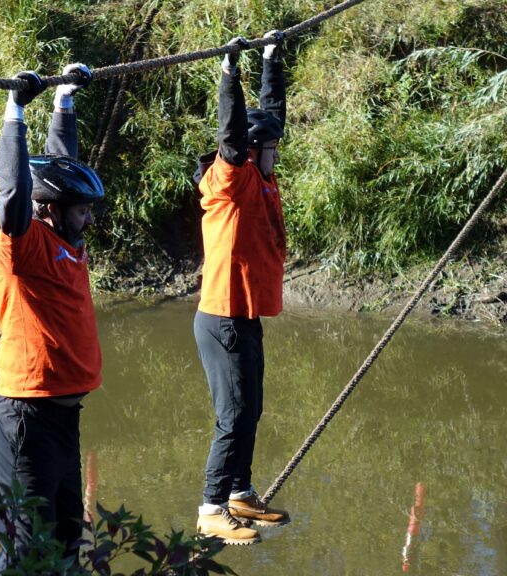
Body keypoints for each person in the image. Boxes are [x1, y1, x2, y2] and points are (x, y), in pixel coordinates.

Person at [0, 63, 103, 573]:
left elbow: (59, 166)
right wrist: (15, 111)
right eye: (81, 210)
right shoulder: (22, 248)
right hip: (24, 420)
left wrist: (64, 101)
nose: (89, 218)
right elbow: (15, 193)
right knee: (25, 552)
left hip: (63, 419)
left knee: (68, 541)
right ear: (50, 209)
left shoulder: (66, 239)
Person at [192, 32, 291, 545]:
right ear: (251, 152)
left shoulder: (262, 175)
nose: (276, 154)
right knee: (231, 415)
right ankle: (211, 507)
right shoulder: (230, 179)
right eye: (268, 148)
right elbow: (231, 133)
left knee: (251, 409)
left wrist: (271, 59)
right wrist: (229, 71)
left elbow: (271, 115)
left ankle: (239, 493)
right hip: (222, 316)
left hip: (245, 314)